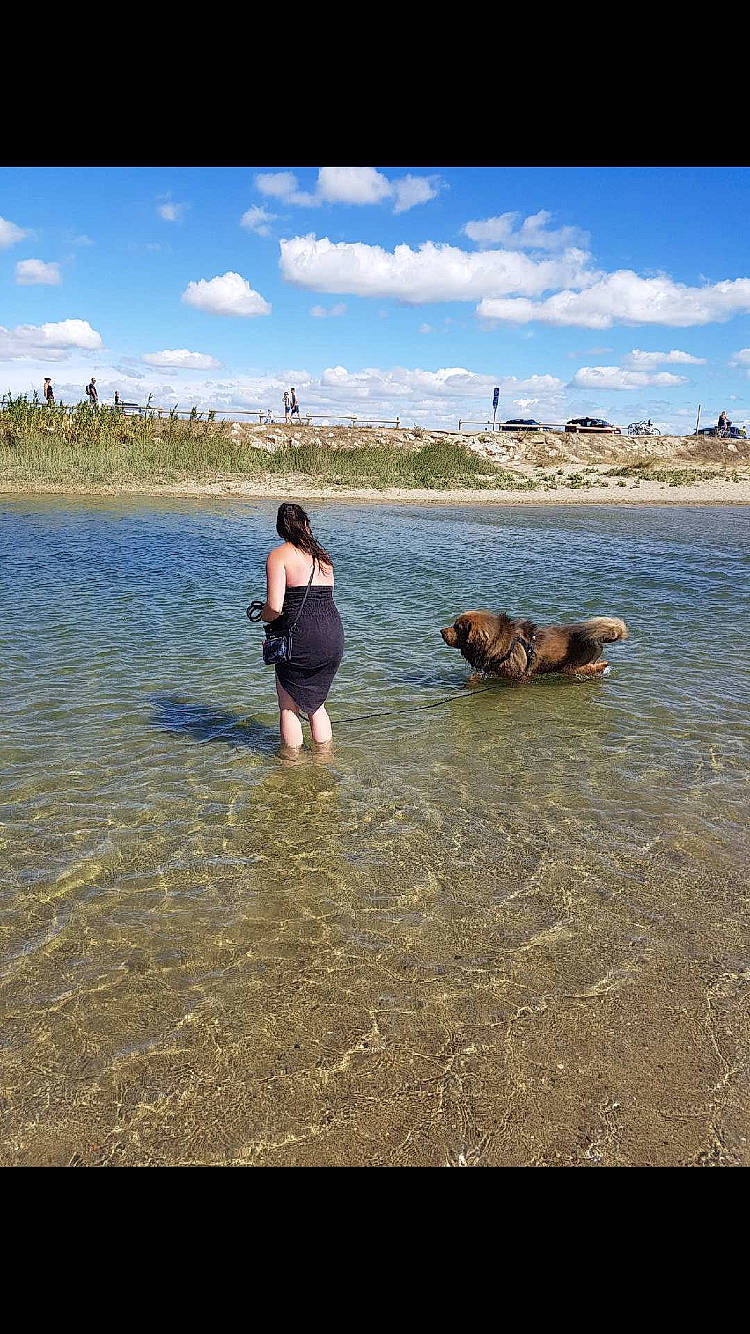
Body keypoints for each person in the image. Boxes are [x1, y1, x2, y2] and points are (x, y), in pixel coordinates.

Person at [259, 503, 344, 749]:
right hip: (333, 635)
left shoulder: (278, 556)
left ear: (280, 529)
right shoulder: (323, 557)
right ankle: (324, 759)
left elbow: (275, 607)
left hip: (302, 637)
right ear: (306, 525)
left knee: (288, 705)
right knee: (317, 704)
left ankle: (291, 764)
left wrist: (263, 615)